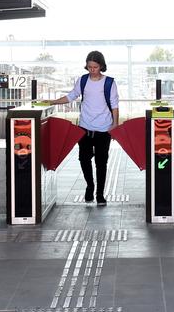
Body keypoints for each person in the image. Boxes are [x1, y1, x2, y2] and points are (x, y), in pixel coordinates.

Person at [45, 51, 119, 205]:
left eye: (95, 67)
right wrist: (53, 102)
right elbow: (71, 96)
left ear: (101, 66)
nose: (92, 69)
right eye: (89, 66)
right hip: (84, 127)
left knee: (101, 162)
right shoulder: (83, 80)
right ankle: (90, 186)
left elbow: (115, 105)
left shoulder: (109, 83)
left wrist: (115, 125)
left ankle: (99, 193)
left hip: (104, 129)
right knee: (84, 159)